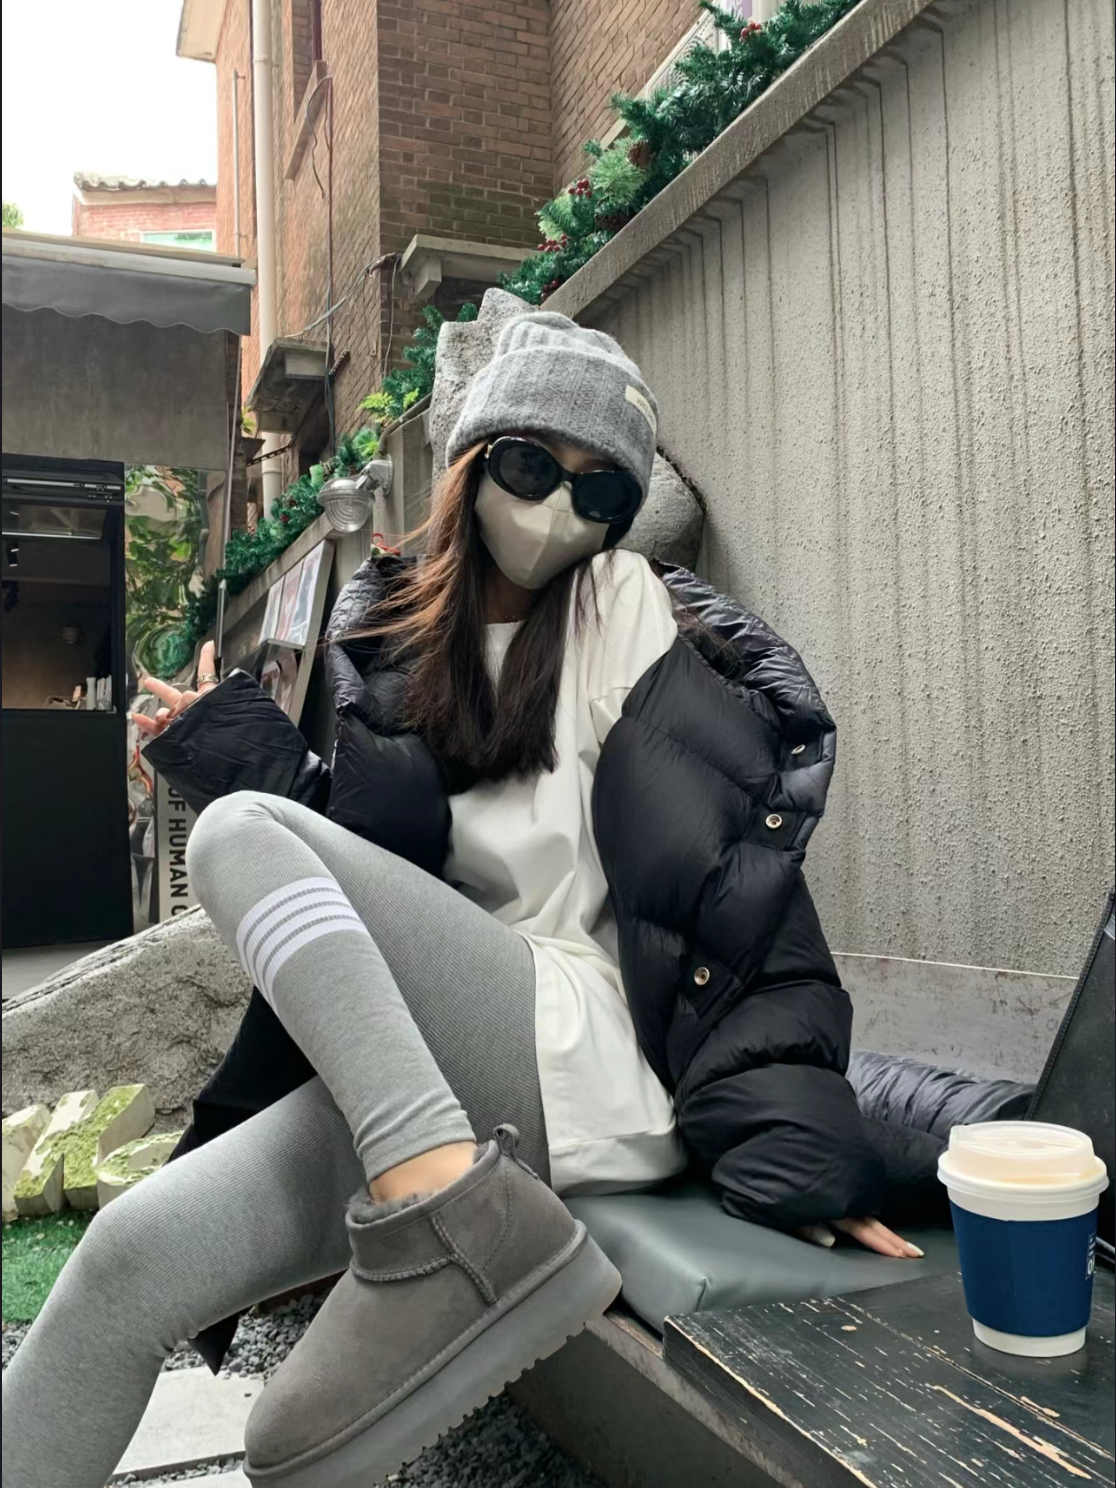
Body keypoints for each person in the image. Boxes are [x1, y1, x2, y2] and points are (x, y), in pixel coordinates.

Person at [2, 314, 941, 1488]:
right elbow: (364, 860)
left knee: (241, 839)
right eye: (533, 465)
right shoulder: (397, 632)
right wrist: (221, 742)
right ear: (474, 461)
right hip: (436, 1067)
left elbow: (728, 884)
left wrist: (793, 1145)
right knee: (124, 1265)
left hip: (574, 1046)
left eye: (599, 490)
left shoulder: (621, 607)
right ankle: (441, 1196)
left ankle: (439, 1204)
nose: (558, 509)